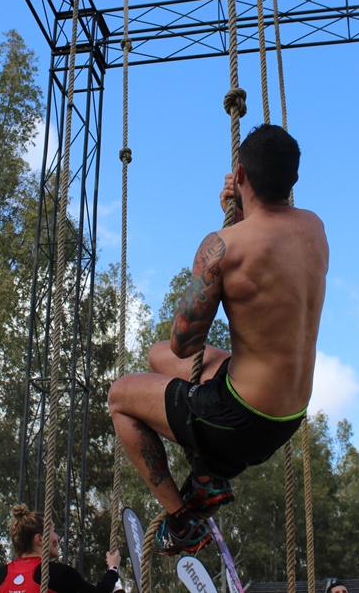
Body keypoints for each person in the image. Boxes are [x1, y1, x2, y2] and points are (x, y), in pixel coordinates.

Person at [108, 124, 329, 556]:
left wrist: (228, 223)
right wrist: (242, 207)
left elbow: (183, 345)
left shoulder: (223, 245)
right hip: (288, 413)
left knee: (120, 397)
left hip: (240, 419)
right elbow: (266, 248)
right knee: (154, 359)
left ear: (241, 175)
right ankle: (211, 474)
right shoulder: (314, 229)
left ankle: (182, 519)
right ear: (294, 180)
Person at [0, 504, 120, 593]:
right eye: (53, 531)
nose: (58, 537)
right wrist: (113, 569)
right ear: (39, 540)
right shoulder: (60, 574)